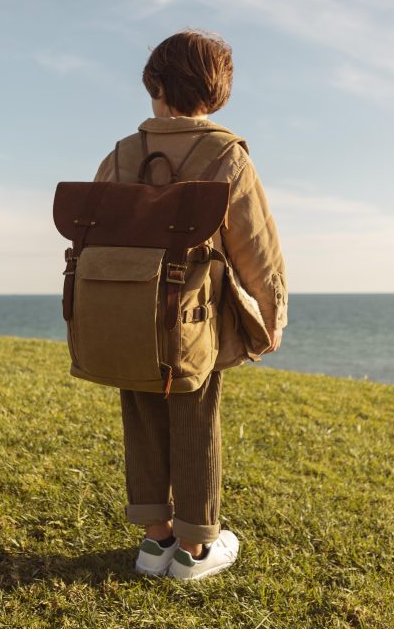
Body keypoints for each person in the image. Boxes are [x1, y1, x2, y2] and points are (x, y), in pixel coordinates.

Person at [92, 29, 288, 580]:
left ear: (153, 82)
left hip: (125, 312)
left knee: (141, 411)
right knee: (197, 417)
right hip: (193, 317)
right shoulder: (226, 154)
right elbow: (257, 249)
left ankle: (155, 540)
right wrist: (272, 315)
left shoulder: (124, 154)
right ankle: (196, 549)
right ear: (218, 90)